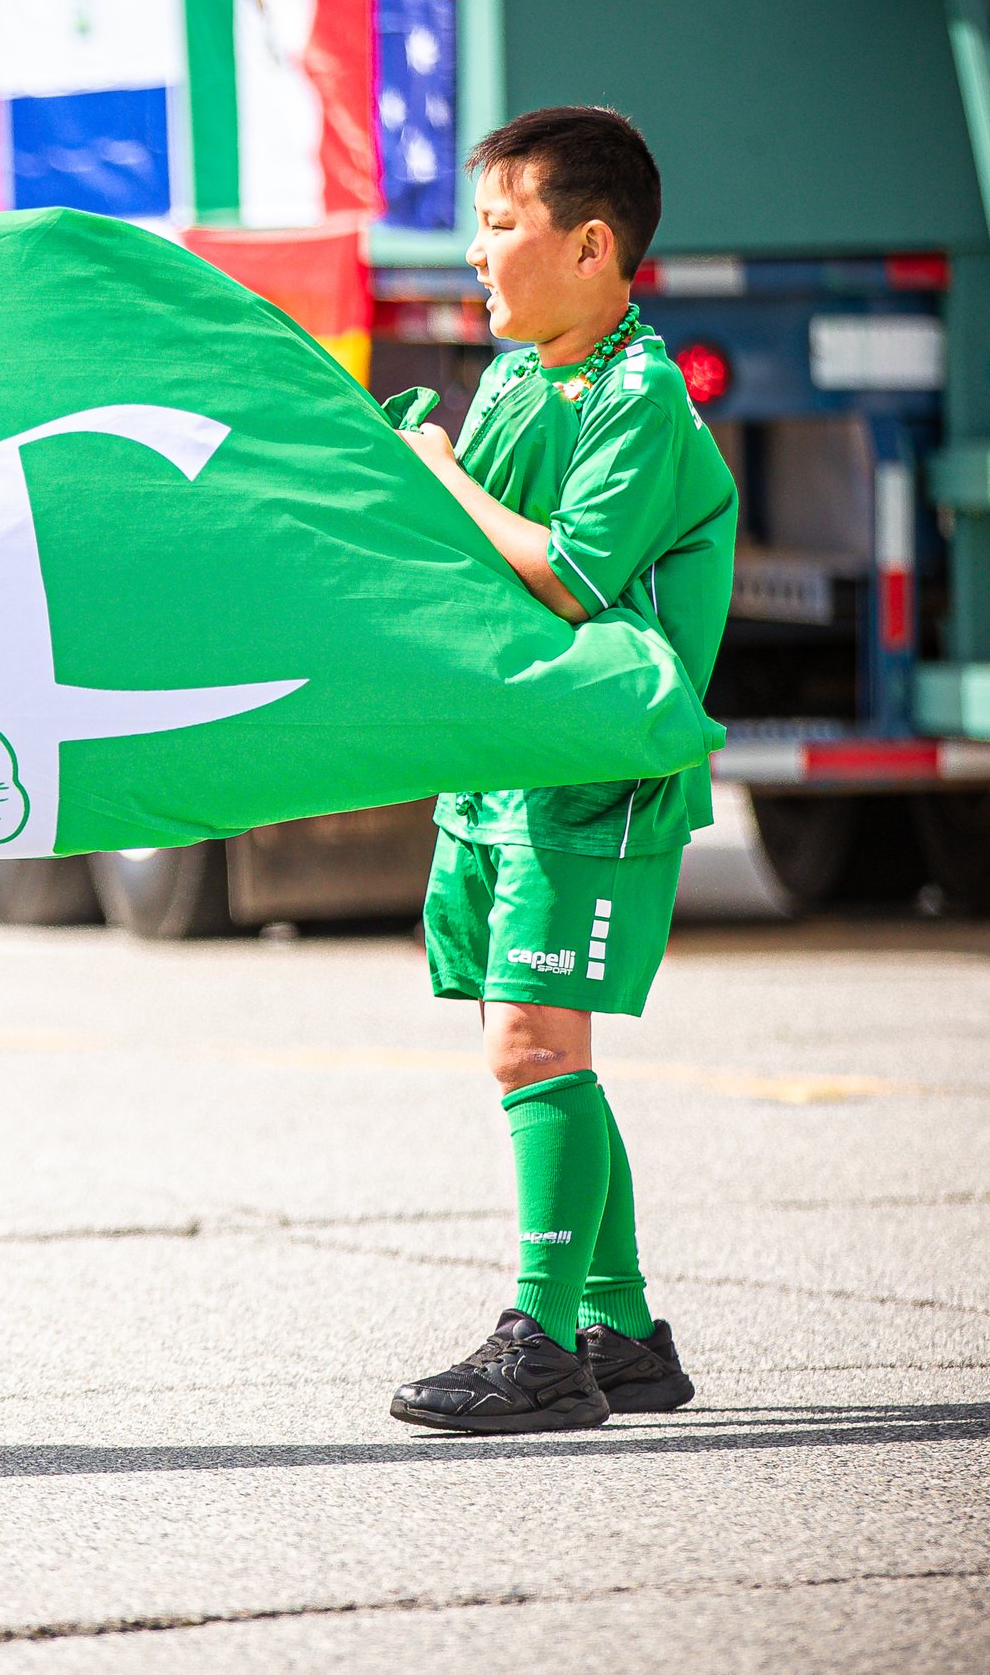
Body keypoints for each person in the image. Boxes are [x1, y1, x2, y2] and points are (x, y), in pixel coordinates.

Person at [386, 106, 737, 1434]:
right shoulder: (519, 380)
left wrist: (440, 476)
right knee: (545, 1047)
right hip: (507, 769)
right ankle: (623, 1330)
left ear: (591, 246)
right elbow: (461, 555)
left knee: (532, 1041)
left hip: (594, 777)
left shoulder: (642, 395)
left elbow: (570, 574)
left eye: (499, 224)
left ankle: (539, 1340)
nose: (477, 255)